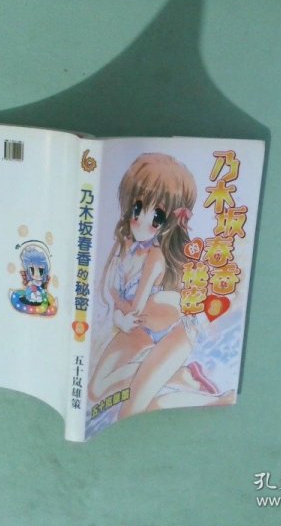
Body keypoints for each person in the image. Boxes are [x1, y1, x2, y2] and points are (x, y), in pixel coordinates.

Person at [89, 153, 226, 419]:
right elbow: (111, 289)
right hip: (141, 328)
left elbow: (137, 306)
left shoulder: (154, 256)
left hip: (173, 333)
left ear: (169, 221)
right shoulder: (125, 245)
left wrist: (121, 315)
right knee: (95, 392)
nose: (141, 221)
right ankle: (180, 376)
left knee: (129, 412)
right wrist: (118, 311)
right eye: (138, 208)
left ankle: (217, 398)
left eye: (157, 216)